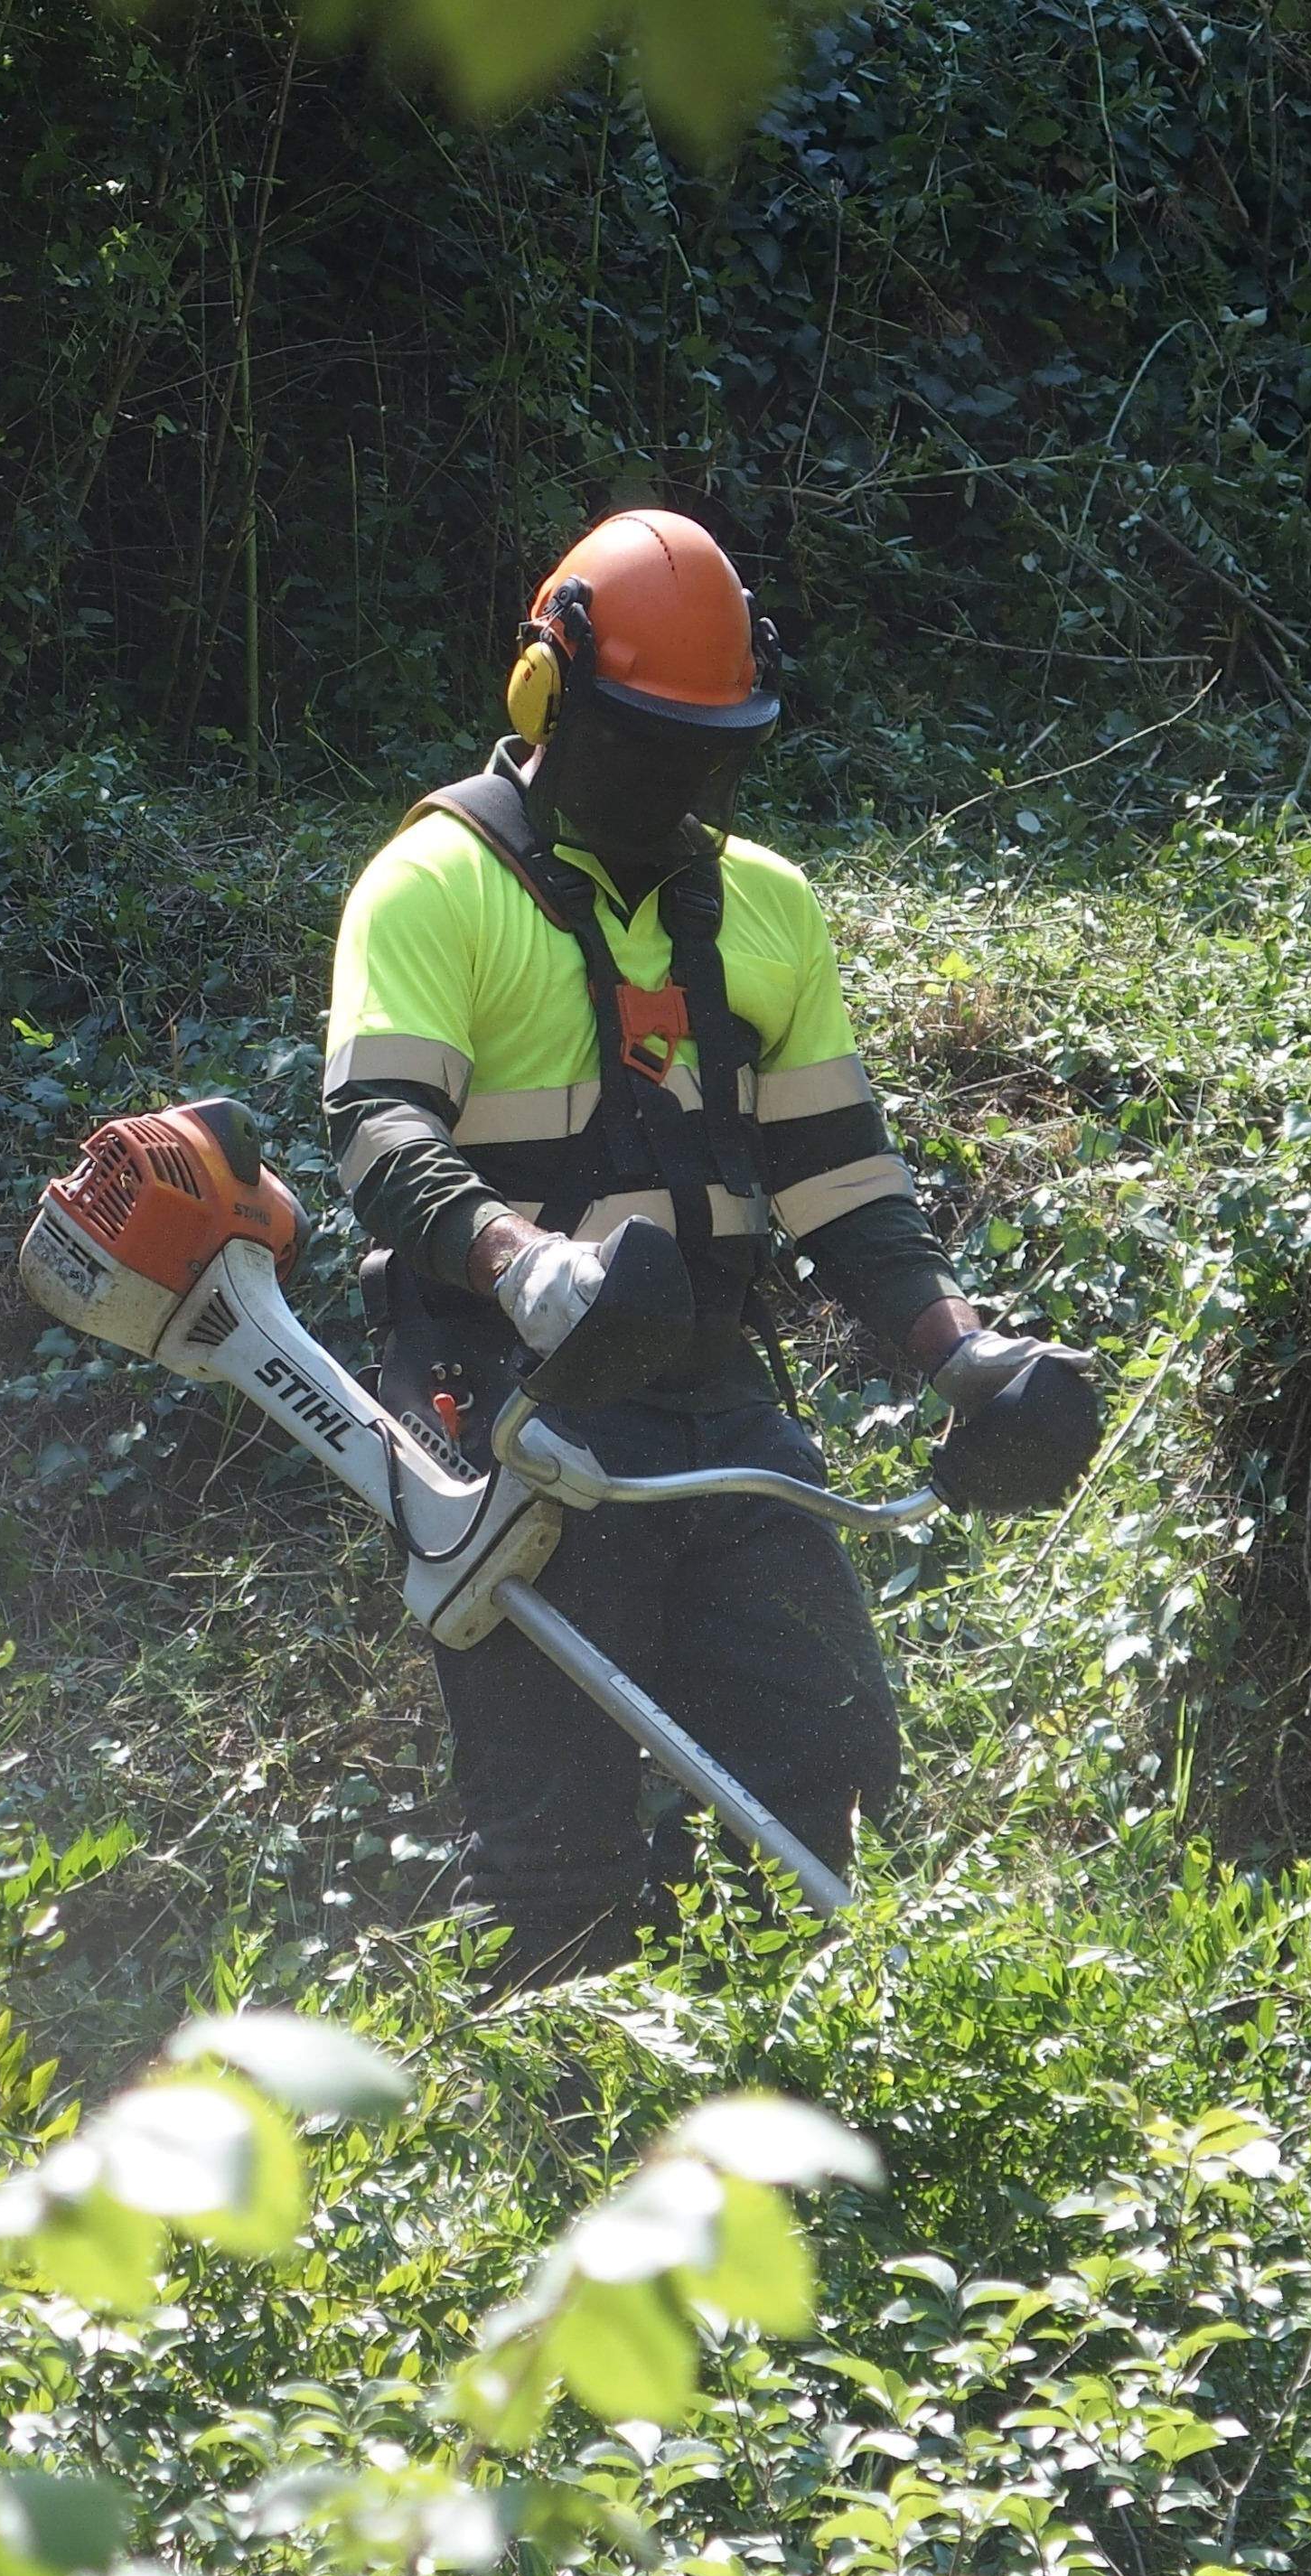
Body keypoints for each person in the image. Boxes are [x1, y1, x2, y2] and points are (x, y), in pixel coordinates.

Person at [323, 509, 1100, 1986]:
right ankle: (550, 2104)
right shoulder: (433, 885)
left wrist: (964, 1356)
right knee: (558, 1848)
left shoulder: (766, 907)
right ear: (548, 698)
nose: (676, 782)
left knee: (819, 1759)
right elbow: (376, 1128)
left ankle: (767, 2092)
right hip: (510, 1408)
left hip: (715, 1396)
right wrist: (520, 1262)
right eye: (643, 745)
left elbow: (839, 1180)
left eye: (707, 750)